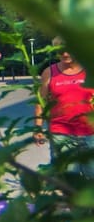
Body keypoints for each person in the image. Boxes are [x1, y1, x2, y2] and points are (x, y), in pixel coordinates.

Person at [37, 37, 94, 178]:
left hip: (90, 133)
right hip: (60, 134)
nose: (65, 54)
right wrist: (38, 127)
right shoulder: (49, 73)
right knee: (67, 179)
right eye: (60, 51)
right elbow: (40, 101)